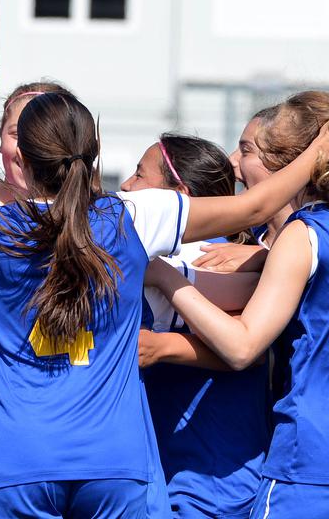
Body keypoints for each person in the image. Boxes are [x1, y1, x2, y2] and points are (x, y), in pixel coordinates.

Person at [0, 90, 329, 517]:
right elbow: (257, 204)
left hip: (19, 462)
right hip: (116, 463)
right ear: (96, 149)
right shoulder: (134, 216)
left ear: (22, 156)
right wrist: (324, 145)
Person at [146, 91, 329, 518]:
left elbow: (242, 346)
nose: (234, 161)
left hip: (308, 468)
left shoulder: (306, 233)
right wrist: (268, 256)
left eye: (248, 150)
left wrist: (166, 278)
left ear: (294, 164)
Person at [123, 133, 270, 518]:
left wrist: (164, 346)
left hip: (212, 471)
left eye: (139, 174)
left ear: (179, 196)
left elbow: (249, 349)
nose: (126, 185)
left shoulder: (208, 255)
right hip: (171, 464)